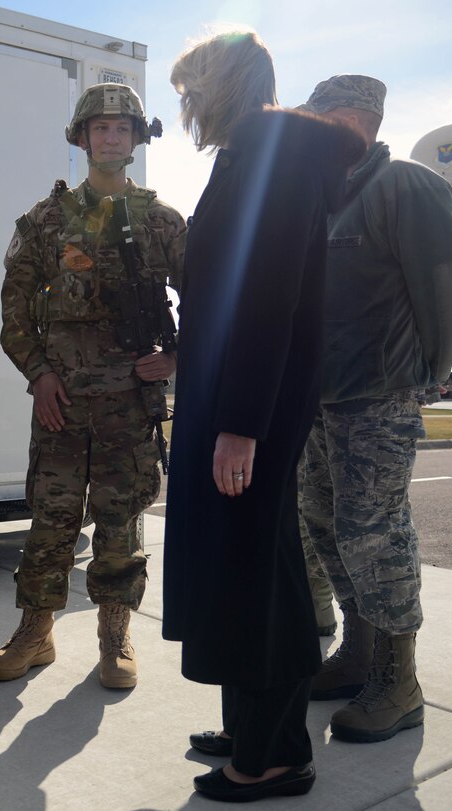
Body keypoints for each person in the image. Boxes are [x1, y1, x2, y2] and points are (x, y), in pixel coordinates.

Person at [161, 31, 366, 802]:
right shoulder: (250, 154)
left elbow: (270, 296)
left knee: (261, 570)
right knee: (235, 567)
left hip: (254, 403)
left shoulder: (276, 158)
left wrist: (242, 420)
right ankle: (250, 723)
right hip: (228, 393)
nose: (184, 108)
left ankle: (279, 751)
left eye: (190, 91)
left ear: (222, 86)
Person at [0, 83, 186, 690]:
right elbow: (13, 308)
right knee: (50, 522)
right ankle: (35, 632)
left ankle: (114, 635)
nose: (110, 137)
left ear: (136, 139)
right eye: (99, 128)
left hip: (128, 406)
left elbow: (210, 294)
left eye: (122, 128)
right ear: (81, 138)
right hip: (61, 404)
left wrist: (178, 355)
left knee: (120, 522)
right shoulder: (45, 220)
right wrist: (39, 375)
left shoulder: (161, 221)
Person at [298, 75, 452, 742]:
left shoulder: (402, 185)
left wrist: (427, 371)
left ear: (354, 119)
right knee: (324, 521)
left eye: (323, 119)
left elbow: (450, 277)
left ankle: (399, 683)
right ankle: (358, 652)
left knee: (376, 534)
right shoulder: (323, 196)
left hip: (378, 396)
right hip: (321, 400)